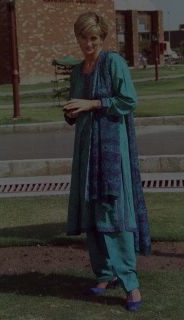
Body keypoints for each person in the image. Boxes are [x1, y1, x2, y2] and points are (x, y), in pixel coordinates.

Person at [62, 12, 151, 312]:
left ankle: (131, 284)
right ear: (77, 38)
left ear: (102, 39)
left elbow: (128, 101)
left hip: (112, 147)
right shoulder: (77, 71)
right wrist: (72, 113)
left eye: (94, 39)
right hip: (87, 149)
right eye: (83, 38)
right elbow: (76, 107)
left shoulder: (113, 62)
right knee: (92, 213)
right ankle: (104, 273)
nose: (88, 44)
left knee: (114, 212)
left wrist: (94, 103)